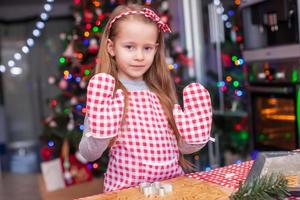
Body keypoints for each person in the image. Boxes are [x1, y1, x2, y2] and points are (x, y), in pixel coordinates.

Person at [79, 3, 213, 192]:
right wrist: (100, 138)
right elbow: (87, 154)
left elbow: (180, 148)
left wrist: (194, 140)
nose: (139, 56)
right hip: (126, 193)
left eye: (147, 48)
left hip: (171, 190)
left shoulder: (162, 94)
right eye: (130, 47)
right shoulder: (105, 97)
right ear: (111, 47)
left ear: (156, 49)